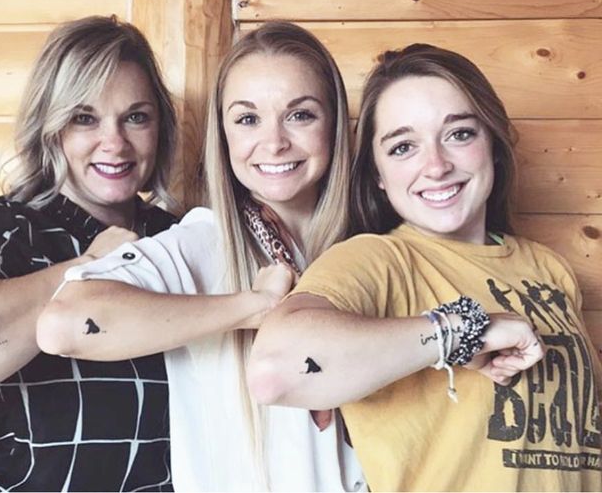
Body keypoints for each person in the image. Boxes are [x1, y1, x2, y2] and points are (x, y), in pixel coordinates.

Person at [247, 43, 602, 491]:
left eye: (459, 134)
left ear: (492, 143)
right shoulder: (377, 260)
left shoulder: (551, 269)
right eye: (403, 147)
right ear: (377, 173)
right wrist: (460, 331)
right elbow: (273, 372)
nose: (435, 166)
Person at [38, 21, 364, 491]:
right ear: (223, 134)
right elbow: (64, 324)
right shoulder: (206, 241)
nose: (274, 142)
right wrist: (254, 306)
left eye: (300, 115)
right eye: (248, 119)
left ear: (334, 123)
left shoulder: (369, 248)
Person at [0, 15, 179, 491]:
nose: (115, 142)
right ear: (51, 126)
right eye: (85, 118)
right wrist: (89, 268)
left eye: (136, 117)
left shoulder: (180, 239)